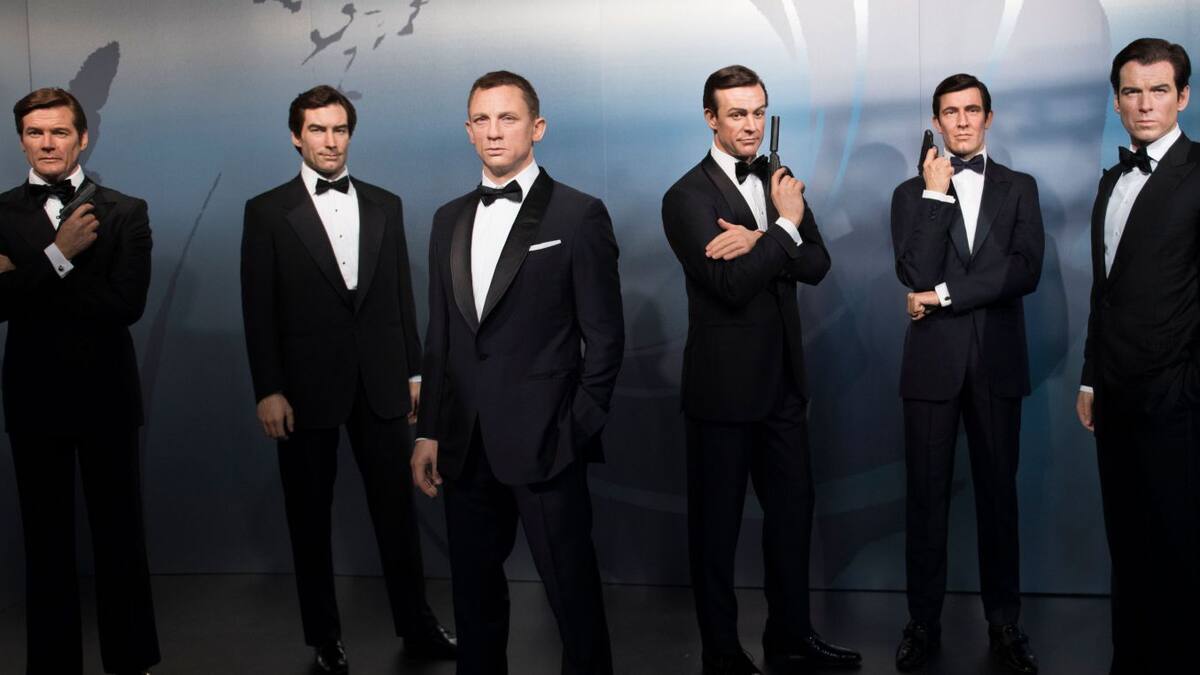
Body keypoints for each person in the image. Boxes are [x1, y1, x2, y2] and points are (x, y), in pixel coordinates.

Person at [411, 70, 624, 675]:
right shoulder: (447, 219)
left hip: (548, 442)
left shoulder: (579, 214)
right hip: (464, 444)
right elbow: (441, 336)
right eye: (482, 119)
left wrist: (574, 429)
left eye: (507, 118)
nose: (494, 131)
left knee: (573, 597)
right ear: (468, 130)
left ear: (538, 128)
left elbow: (606, 338)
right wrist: (429, 431)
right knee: (474, 600)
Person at [240, 84, 455, 674]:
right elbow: (258, 307)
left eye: (339, 129)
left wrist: (414, 370)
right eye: (317, 129)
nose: (330, 141)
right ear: (296, 137)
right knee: (309, 517)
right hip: (302, 390)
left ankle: (418, 626)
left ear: (350, 135)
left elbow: (399, 295)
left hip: (381, 382)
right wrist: (268, 388)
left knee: (398, 515)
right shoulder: (266, 211)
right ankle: (325, 638)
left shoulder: (386, 203)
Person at [661, 64, 860, 675]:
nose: (750, 125)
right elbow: (728, 285)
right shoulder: (685, 197)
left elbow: (818, 264)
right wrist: (782, 229)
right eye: (736, 114)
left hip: (783, 387)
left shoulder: (779, 179)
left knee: (792, 519)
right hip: (721, 394)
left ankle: (791, 636)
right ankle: (722, 653)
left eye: (757, 112)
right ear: (710, 118)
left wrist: (763, 238)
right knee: (716, 532)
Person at [0, 87, 158, 675]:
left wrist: (25, 278)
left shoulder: (127, 210)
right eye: (35, 132)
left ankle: (132, 662)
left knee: (121, 537)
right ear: (21, 140)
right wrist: (60, 255)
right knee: (45, 544)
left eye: (59, 132)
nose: (47, 143)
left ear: (83, 138)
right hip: (32, 399)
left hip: (106, 397)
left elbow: (126, 305)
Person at [889, 73, 1043, 674]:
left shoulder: (1020, 188)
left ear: (988, 117)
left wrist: (945, 296)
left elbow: (1023, 272)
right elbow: (914, 272)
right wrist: (935, 197)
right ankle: (922, 624)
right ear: (936, 121)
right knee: (924, 500)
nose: (961, 121)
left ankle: (1005, 624)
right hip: (932, 367)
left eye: (971, 110)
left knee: (999, 499)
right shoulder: (910, 194)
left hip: (998, 364)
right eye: (950, 112)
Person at [1076, 37, 1200, 674]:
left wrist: (1189, 387)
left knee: (1180, 550)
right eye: (1132, 91)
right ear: (1117, 102)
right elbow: (1106, 292)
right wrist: (1091, 379)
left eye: (1159, 90)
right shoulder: (1111, 180)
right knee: (1126, 545)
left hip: (1179, 402)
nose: (1145, 104)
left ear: (1183, 97)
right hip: (1116, 396)